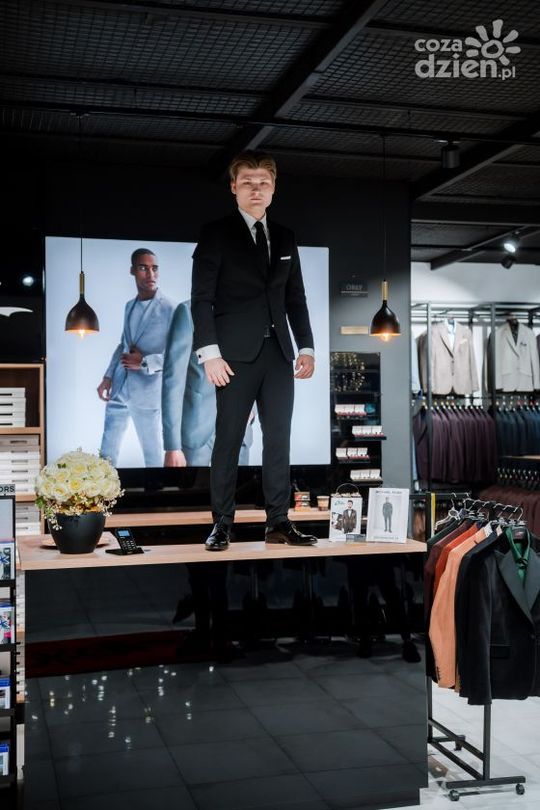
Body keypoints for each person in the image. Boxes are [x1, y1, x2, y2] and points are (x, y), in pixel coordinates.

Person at [191, 150, 316, 550]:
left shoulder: (285, 237)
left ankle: (278, 522)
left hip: (279, 353)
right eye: (247, 182)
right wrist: (209, 354)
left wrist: (307, 346)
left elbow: (295, 298)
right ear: (234, 187)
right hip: (231, 357)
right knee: (228, 439)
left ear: (274, 188)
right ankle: (221, 524)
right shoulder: (216, 233)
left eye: (263, 182)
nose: (256, 189)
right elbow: (201, 298)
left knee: (278, 439)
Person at [97, 248, 175, 467]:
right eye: (143, 268)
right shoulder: (129, 306)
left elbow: (178, 356)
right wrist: (108, 376)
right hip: (119, 388)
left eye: (154, 268)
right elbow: (123, 344)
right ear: (132, 271)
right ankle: (102, 489)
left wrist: (144, 362)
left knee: (152, 457)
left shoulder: (170, 308)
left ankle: (159, 490)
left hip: (147, 394)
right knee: (106, 454)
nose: (150, 274)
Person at [162, 300, 253, 466]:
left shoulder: (250, 310)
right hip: (199, 431)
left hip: (240, 427)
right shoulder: (187, 312)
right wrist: (172, 446)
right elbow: (173, 381)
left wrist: (252, 410)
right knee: (195, 484)